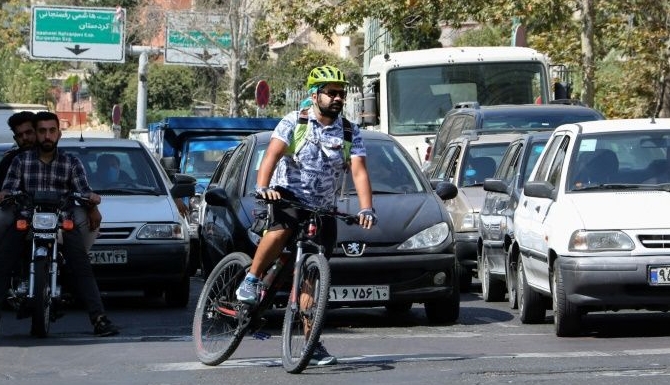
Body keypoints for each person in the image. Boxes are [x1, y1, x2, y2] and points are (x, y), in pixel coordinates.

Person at [235, 65, 378, 365]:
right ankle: (251, 278)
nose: (338, 98)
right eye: (332, 93)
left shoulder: (350, 131)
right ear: (315, 96)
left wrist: (367, 207)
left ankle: (312, 342)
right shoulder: (295, 122)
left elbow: (359, 171)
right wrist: (263, 187)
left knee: (313, 276)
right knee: (281, 228)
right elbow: (271, 155)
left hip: (322, 207)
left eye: (342, 93)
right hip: (287, 195)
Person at [0, 111, 118, 337]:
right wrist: (6, 194)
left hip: (62, 220)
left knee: (82, 265)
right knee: (3, 262)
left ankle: (99, 319)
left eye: (51, 131)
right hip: (26, 218)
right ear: (37, 133)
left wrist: (92, 200)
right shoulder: (19, 160)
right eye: (42, 131)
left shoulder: (71, 162)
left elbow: (84, 191)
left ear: (59, 134)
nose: (47, 136)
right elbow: (9, 187)